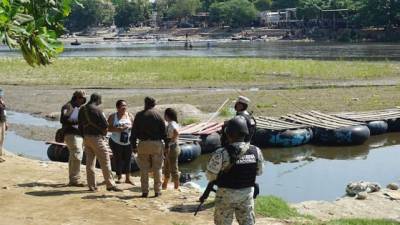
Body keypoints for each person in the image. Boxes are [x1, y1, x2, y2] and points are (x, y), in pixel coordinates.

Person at [206, 116, 264, 225]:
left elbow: (210, 176)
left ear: (228, 134)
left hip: (225, 196)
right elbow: (259, 172)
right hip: (246, 195)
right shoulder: (256, 151)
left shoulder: (221, 153)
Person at [78, 93, 121, 192]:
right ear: (97, 100)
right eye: (100, 100)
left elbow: (79, 125)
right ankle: (110, 185)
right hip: (96, 138)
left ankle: (91, 186)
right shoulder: (97, 110)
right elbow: (105, 124)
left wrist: (83, 136)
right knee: (105, 160)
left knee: (90, 163)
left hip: (86, 138)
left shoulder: (82, 109)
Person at [130, 97, 166, 197]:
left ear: (145, 104)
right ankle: (157, 191)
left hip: (143, 144)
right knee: (157, 168)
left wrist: (133, 146)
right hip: (156, 144)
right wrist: (166, 146)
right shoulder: (158, 115)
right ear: (154, 104)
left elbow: (133, 133)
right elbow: (164, 133)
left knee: (144, 168)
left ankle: (145, 191)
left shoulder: (139, 115)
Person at [60, 90, 87, 186]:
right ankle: (74, 180)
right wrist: (78, 122)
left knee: (75, 156)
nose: (82, 100)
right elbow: (63, 120)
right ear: (76, 97)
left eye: (83, 99)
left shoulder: (80, 108)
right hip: (71, 134)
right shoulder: (68, 106)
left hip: (79, 134)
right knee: (77, 154)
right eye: (81, 98)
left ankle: (74, 178)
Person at [107, 100, 134, 185]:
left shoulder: (130, 115)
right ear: (117, 107)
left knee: (128, 159)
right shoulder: (113, 116)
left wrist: (129, 127)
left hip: (128, 141)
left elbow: (135, 126)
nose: (124, 107)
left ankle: (128, 178)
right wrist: (118, 129)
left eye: (125, 105)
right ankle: (119, 176)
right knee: (117, 159)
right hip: (115, 141)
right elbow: (108, 128)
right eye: (122, 106)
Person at [162, 108, 181, 190]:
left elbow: (176, 132)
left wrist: (172, 139)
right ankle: (165, 184)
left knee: (173, 167)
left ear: (167, 115)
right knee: (167, 166)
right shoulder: (172, 123)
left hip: (172, 147)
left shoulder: (172, 124)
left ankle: (176, 186)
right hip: (171, 146)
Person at [0, 89, 8, 163]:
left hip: (3, 121)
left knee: (3, 138)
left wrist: (6, 123)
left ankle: (0, 153)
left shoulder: (3, 102)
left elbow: (5, 112)